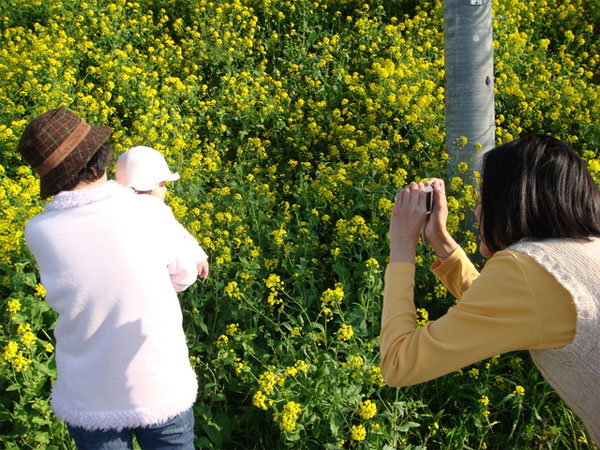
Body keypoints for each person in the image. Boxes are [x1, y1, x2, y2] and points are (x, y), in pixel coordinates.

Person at [380, 135, 600, 443]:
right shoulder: (583, 252)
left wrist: (402, 246)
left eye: (486, 196)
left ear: (513, 203)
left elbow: (397, 362)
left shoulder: (528, 269)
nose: (480, 210)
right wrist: (441, 240)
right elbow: (505, 307)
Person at [18, 107, 202, 449]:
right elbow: (184, 276)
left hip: (88, 396)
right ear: (100, 157)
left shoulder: (37, 231)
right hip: (159, 384)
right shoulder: (148, 212)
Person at [115, 145, 209, 279]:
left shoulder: (114, 208)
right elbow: (180, 235)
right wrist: (198, 257)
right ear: (148, 186)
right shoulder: (158, 210)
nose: (165, 190)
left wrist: (199, 255)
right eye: (162, 185)